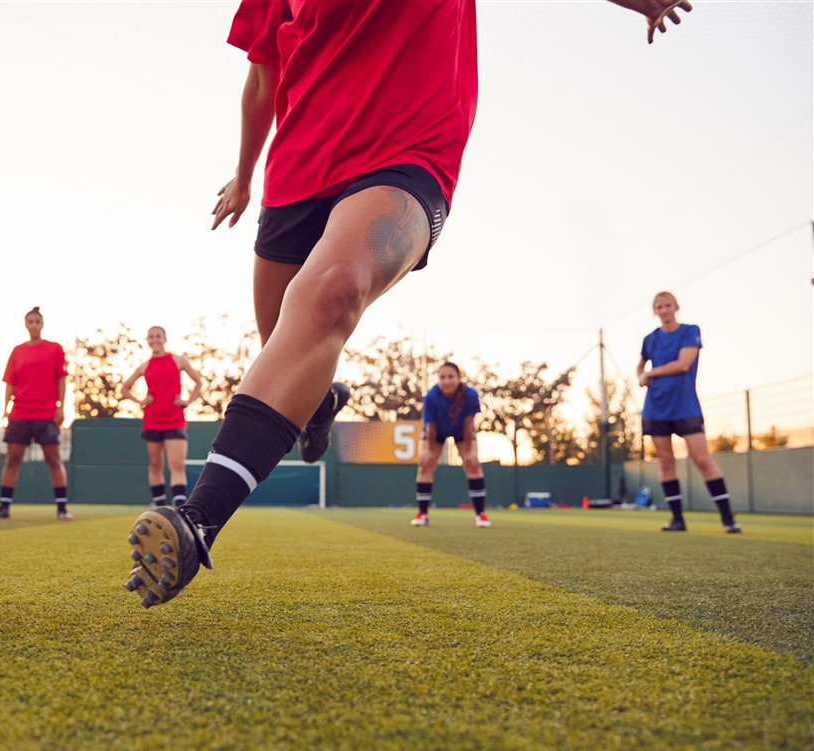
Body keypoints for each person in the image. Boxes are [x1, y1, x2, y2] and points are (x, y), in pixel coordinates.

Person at [124, 0, 696, 609]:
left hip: (406, 155)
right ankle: (318, 404)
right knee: (284, 350)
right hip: (296, 174)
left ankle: (199, 521)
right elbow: (263, 77)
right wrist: (243, 173)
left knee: (332, 291)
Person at [637, 291, 741, 533]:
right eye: (659, 307)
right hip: (656, 407)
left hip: (685, 406)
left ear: (676, 307)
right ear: (655, 311)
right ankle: (677, 520)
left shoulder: (690, 331)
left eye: (667, 305)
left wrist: (651, 373)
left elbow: (683, 364)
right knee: (665, 461)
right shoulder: (649, 339)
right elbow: (641, 364)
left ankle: (728, 519)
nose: (664, 310)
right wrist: (640, 375)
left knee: (702, 459)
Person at [0, 306, 71, 520]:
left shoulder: (55, 349)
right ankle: (4, 508)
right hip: (20, 413)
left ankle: (62, 509)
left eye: (37, 321)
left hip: (46, 413)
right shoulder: (17, 351)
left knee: (53, 459)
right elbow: (10, 383)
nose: (34, 325)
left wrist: (60, 406)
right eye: (30, 322)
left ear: (42, 324)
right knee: (13, 458)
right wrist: (6, 409)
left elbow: (61, 379)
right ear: (26, 325)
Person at [119, 326, 204, 507]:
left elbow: (198, 382)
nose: (155, 339)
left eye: (158, 336)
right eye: (151, 337)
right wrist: (140, 401)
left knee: (177, 465)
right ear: (147, 340)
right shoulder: (145, 366)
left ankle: (180, 508)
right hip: (152, 421)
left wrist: (188, 401)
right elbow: (124, 388)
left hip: (174, 421)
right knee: (155, 465)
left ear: (165, 338)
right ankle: (159, 507)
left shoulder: (178, 360)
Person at [410, 363, 490, 528]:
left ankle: (480, 514)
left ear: (459, 378)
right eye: (442, 377)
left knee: (472, 464)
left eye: (451, 376)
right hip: (436, 430)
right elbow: (430, 427)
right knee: (425, 464)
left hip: (462, 430)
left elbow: (468, 425)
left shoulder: (470, 395)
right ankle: (422, 513)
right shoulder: (431, 396)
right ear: (438, 379)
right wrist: (429, 452)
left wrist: (469, 453)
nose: (446, 381)